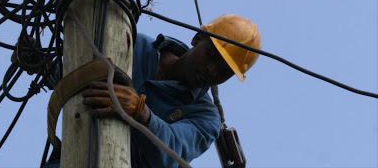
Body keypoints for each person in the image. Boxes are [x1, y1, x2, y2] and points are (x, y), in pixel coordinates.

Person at [46, 13, 261, 167]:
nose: (212, 70)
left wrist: (142, 114)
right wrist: (42, 62)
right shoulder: (131, 45)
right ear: (197, 39)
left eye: (224, 72)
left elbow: (172, 153)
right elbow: (77, 72)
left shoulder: (205, 117)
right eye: (211, 56)